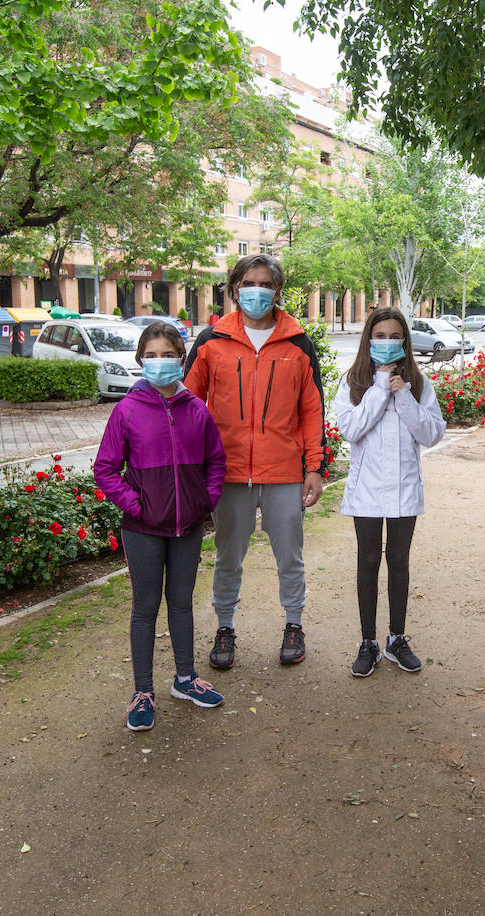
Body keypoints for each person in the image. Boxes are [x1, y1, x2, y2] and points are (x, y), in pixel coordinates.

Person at [183, 254, 326, 669]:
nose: (257, 291)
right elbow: (189, 402)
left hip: (283, 473)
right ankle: (225, 627)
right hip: (227, 474)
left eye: (265, 284)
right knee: (228, 557)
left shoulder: (298, 343)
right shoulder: (212, 341)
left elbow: (312, 410)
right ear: (234, 287)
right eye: (249, 283)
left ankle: (294, 624)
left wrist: (314, 466)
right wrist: (193, 463)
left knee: (290, 557)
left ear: (277, 291)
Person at [94, 322, 227, 731]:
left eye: (166, 354)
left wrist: (203, 502)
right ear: (140, 360)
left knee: (183, 603)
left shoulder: (197, 410)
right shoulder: (128, 410)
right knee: (146, 608)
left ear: (181, 358)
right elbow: (105, 468)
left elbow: (216, 463)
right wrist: (135, 505)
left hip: (187, 528)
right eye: (149, 355)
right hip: (143, 529)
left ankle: (185, 680)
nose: (158, 362)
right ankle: (143, 691)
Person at [333, 307, 446, 676]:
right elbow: (351, 430)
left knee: (398, 561)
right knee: (367, 561)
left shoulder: (419, 381)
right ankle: (369, 642)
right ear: (368, 339)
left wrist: (404, 396)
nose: (386, 342)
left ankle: (397, 638)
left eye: (394, 335)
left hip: (403, 488)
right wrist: (380, 388)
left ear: (405, 340)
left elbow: (431, 434)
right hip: (366, 489)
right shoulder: (352, 381)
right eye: (379, 336)